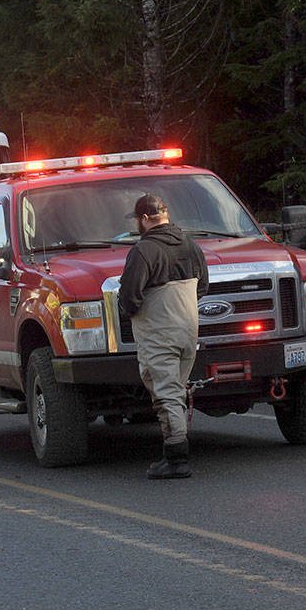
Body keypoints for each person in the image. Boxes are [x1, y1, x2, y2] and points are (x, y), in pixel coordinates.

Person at [117, 193, 209, 479]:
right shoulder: (191, 245)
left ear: (145, 219)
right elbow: (203, 286)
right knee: (176, 389)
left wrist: (128, 312)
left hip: (158, 332)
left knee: (166, 394)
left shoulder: (144, 250)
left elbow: (130, 296)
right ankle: (174, 453)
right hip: (188, 330)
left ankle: (177, 458)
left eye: (137, 219)